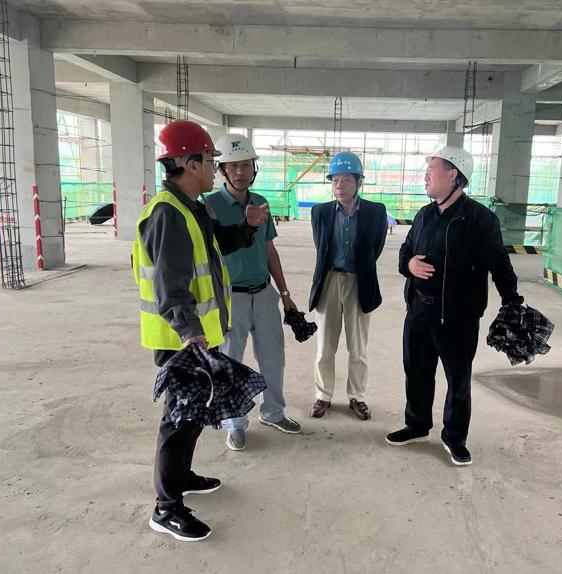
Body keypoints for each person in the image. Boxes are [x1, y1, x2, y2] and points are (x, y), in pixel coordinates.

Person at [133, 120, 268, 541]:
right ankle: (166, 508)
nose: (215, 167)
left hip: (198, 335)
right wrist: (191, 333)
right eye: (210, 159)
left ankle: (182, 477)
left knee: (192, 414)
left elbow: (217, 246)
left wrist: (248, 227)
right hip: (181, 339)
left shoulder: (193, 208)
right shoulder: (167, 214)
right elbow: (169, 286)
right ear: (191, 164)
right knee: (178, 418)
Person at [385, 146, 523, 466]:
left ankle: (455, 438)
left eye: (431, 171)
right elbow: (405, 251)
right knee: (416, 371)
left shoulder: (480, 219)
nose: (425, 176)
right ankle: (417, 424)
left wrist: (512, 300)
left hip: (458, 316)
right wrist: (410, 266)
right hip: (419, 310)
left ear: (453, 175)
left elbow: (499, 264)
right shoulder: (424, 215)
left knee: (457, 379)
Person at [203, 133, 301, 451]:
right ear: (222, 170)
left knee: (273, 357)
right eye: (233, 166)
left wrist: (284, 293)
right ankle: (235, 423)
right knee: (230, 361)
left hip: (264, 293)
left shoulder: (260, 202)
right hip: (230, 297)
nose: (240, 172)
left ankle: (273, 412)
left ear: (253, 168)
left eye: (246, 165)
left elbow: (269, 250)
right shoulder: (210, 206)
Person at [309, 151, 388, 420]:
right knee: (325, 347)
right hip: (329, 280)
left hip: (360, 281)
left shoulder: (376, 212)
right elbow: (321, 247)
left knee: (358, 348)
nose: (339, 185)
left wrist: (360, 269)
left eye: (345, 180)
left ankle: (357, 396)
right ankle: (323, 395)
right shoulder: (320, 212)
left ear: (359, 182)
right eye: (335, 180)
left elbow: (375, 248)